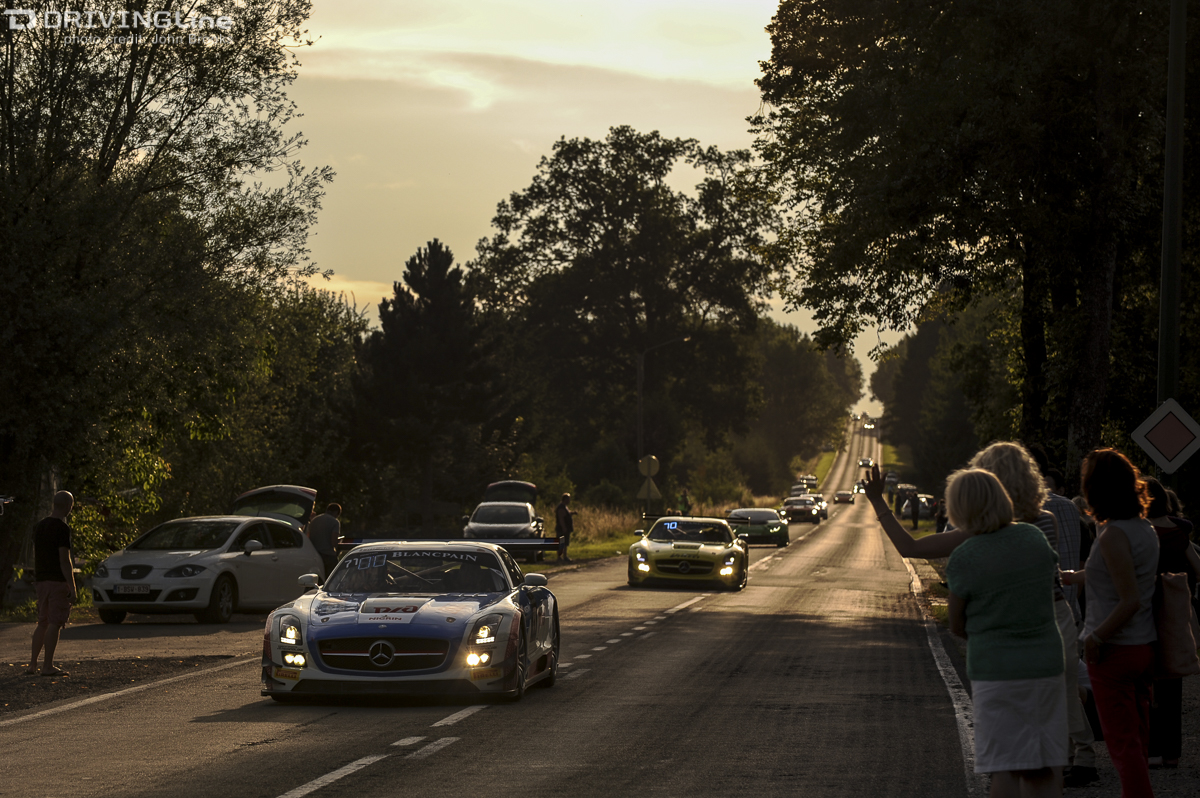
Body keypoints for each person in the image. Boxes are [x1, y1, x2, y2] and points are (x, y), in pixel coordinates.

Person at [972, 442, 1097, 788]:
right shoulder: (1064, 510)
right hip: (1066, 604)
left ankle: (1077, 754)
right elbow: (1074, 556)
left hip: (1035, 615)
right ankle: (1073, 755)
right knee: (1065, 689)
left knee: (1052, 695)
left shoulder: (1009, 521)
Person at [943, 469, 1066, 796]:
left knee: (1004, 765)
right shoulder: (1033, 538)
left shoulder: (964, 557)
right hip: (1044, 663)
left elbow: (956, 624)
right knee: (1043, 764)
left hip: (994, 670)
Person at [1062, 449, 1159, 798]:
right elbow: (1120, 576)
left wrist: (1095, 638)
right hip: (1142, 647)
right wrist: (1074, 577)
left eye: (1086, 479)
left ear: (1097, 487)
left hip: (1115, 651)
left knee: (1122, 745)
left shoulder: (1113, 534)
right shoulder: (1142, 529)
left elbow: (1129, 599)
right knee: (1137, 739)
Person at [1144, 477, 1200, 769]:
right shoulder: (1179, 531)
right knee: (1173, 682)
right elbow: (1197, 566)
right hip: (1176, 612)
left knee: (1150, 682)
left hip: (1148, 610)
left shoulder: (1142, 531)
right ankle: (1172, 753)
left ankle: (1152, 749)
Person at [27, 490, 77, 677]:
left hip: (41, 580)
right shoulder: (62, 529)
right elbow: (64, 560)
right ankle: (47, 666)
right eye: (71, 505)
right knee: (55, 622)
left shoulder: (39, 527)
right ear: (67, 506)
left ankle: (32, 664)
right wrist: (72, 587)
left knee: (43, 622)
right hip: (57, 581)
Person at [305, 503, 342, 580]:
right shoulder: (335, 522)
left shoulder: (314, 520)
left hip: (314, 554)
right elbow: (333, 542)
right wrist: (338, 542)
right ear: (336, 512)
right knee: (333, 578)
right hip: (328, 555)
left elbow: (308, 536)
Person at [555, 493, 575, 563]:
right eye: (568, 499)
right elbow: (561, 518)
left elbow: (567, 514)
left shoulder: (564, 507)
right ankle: (560, 557)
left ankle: (564, 556)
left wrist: (572, 513)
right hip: (562, 529)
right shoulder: (561, 507)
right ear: (565, 499)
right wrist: (564, 528)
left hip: (565, 528)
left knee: (565, 543)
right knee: (561, 543)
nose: (569, 500)